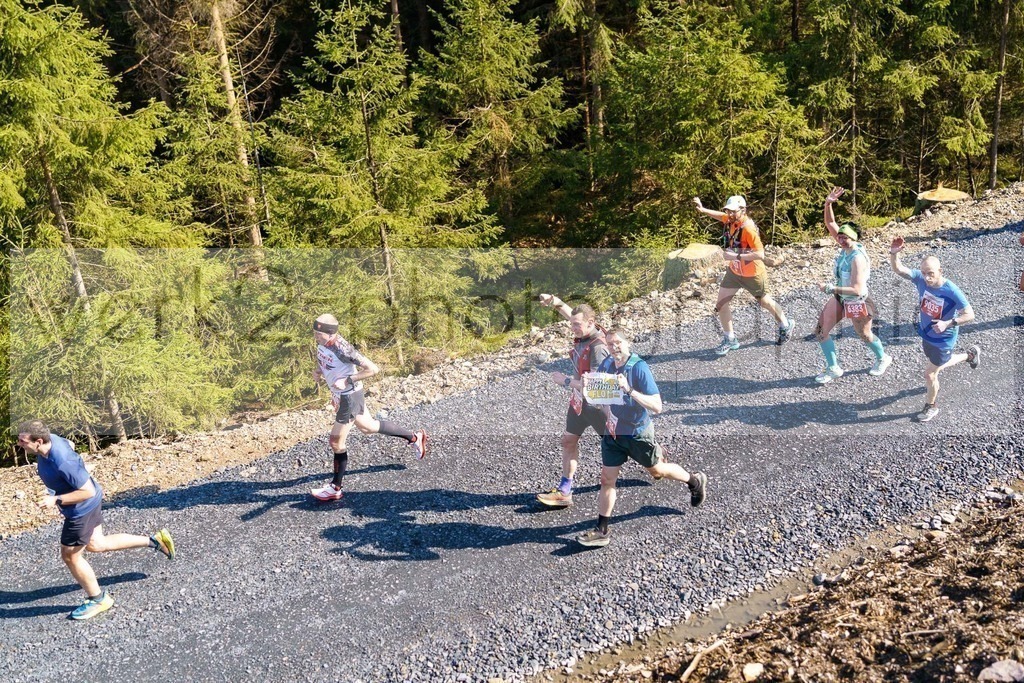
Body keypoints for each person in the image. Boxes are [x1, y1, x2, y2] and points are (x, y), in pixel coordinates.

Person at [16, 420, 175, 621]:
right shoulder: (53, 442)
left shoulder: (62, 461)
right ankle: (155, 541)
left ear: (39, 441)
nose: (20, 444)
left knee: (70, 556)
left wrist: (55, 498)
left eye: (23, 441)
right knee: (97, 544)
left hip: (80, 510)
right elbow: (70, 445)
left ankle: (98, 599)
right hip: (87, 504)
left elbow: (86, 491)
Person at [577, 328, 707, 547]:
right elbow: (604, 398)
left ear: (628, 344)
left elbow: (657, 406)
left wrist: (629, 391)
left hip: (637, 433)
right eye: (610, 344)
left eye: (618, 343)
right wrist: (591, 390)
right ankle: (602, 530)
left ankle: (695, 481)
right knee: (607, 479)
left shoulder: (639, 368)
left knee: (657, 470)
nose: (614, 347)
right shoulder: (608, 365)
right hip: (614, 434)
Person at [310, 314, 428, 502]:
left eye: (319, 333)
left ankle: (335, 488)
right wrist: (319, 371)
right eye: (314, 332)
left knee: (336, 443)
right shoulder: (323, 343)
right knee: (369, 427)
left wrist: (347, 380)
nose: (316, 336)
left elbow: (373, 369)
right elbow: (327, 360)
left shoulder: (343, 348)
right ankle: (415, 437)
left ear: (330, 333)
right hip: (343, 395)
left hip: (350, 397)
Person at [889, 240, 980, 422]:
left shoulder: (951, 290)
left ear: (940, 271)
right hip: (927, 335)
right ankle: (970, 355)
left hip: (943, 340)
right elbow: (899, 269)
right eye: (924, 273)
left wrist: (948, 323)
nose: (927, 278)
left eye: (931, 273)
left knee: (930, 373)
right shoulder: (921, 279)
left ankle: (931, 406)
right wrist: (894, 253)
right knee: (937, 365)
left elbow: (970, 314)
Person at [692, 194, 794, 355]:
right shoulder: (731, 220)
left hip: (752, 273)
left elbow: (760, 254)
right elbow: (721, 216)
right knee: (722, 303)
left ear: (743, 210)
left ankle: (785, 325)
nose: (730, 214)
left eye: (733, 211)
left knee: (765, 302)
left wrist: (736, 256)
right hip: (734, 272)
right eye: (728, 211)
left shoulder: (748, 229)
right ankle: (730, 338)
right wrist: (703, 209)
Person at [535, 295, 609, 507]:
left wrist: (566, 380)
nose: (573, 328)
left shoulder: (598, 348)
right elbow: (572, 315)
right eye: (572, 325)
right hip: (579, 404)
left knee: (627, 445)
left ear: (590, 323)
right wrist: (555, 301)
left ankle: (656, 457)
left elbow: (597, 385)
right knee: (568, 441)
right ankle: (565, 490)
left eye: (577, 325)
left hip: (598, 406)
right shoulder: (584, 332)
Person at [812, 187, 892, 384]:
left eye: (844, 237)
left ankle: (883, 358)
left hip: (857, 300)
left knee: (864, 334)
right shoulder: (845, 247)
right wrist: (828, 203)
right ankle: (833, 368)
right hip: (840, 298)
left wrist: (831, 288)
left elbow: (857, 289)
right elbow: (830, 222)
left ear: (853, 238)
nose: (840, 239)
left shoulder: (857, 259)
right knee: (821, 331)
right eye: (839, 236)